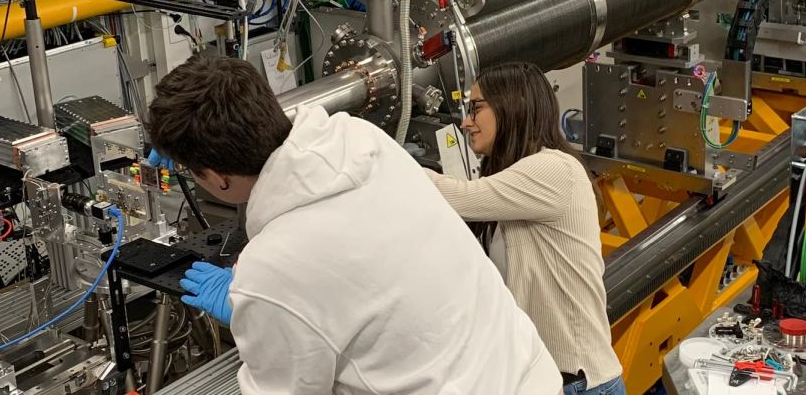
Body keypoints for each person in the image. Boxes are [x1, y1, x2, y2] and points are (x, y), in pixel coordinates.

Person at [147, 54, 561, 395]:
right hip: (528, 374)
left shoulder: (272, 268)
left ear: (217, 178)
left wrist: (257, 302)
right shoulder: (361, 141)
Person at [426, 62, 625, 395]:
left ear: (511, 105)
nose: (465, 122)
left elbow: (460, 197)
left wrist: (387, 158)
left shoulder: (554, 168)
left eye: (476, 108)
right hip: (543, 379)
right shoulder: (517, 181)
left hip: (579, 384)